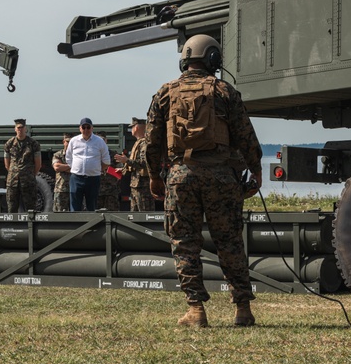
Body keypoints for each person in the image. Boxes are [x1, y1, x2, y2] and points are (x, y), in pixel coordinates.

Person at [145, 34, 263, 328]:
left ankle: (196, 310)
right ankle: (243, 309)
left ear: (184, 59)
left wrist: (154, 178)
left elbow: (151, 142)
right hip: (222, 177)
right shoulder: (224, 90)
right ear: (213, 59)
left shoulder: (165, 93)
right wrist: (256, 169)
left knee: (185, 243)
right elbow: (246, 136)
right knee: (231, 242)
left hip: (180, 177)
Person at [64, 117, 111, 212]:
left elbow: (106, 161)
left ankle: (92, 226)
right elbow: (68, 158)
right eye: (83, 127)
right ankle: (76, 226)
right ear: (80, 128)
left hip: (93, 178)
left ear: (92, 128)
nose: (86, 130)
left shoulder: (99, 141)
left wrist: (96, 169)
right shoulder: (74, 141)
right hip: (76, 178)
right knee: (75, 206)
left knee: (91, 206)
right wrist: (76, 168)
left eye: (88, 127)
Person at [115, 117, 154, 212]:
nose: (131, 129)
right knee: (135, 216)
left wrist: (127, 161)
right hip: (136, 185)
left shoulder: (145, 143)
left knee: (144, 214)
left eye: (132, 127)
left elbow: (145, 163)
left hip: (143, 186)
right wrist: (124, 169)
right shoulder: (138, 143)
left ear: (136, 128)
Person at [3, 119, 41, 212]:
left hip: (28, 181)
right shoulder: (9, 143)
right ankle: (13, 226)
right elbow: (7, 164)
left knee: (30, 208)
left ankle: (31, 227)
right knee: (12, 208)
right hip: (13, 181)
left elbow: (38, 164)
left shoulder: (33, 144)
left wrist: (30, 175)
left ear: (25, 129)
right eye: (18, 128)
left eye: (22, 127)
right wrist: (14, 172)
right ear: (15, 129)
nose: (20, 129)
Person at [96, 131, 121, 211]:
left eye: (103, 140)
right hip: (97, 189)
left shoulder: (114, 155)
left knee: (113, 214)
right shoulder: (92, 154)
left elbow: (120, 170)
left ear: (106, 140)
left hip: (111, 190)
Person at [51, 133, 72, 212]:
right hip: (61, 189)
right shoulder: (58, 155)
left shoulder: (77, 155)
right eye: (67, 142)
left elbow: (81, 167)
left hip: (74, 189)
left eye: (71, 142)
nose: (69, 144)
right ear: (64, 142)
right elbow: (57, 167)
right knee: (59, 214)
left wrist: (64, 167)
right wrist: (72, 166)